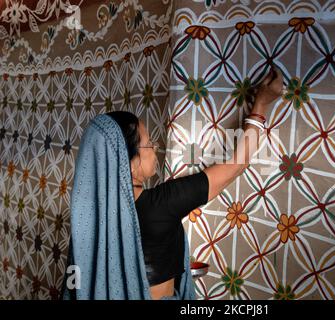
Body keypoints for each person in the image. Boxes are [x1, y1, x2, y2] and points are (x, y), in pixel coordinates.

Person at [65, 66, 283, 300]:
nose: (155, 150)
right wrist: (261, 105)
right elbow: (237, 164)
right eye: (148, 144)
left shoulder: (89, 218)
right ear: (126, 163)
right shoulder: (161, 205)